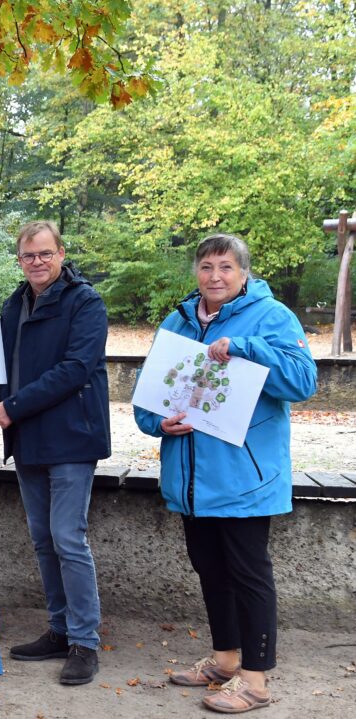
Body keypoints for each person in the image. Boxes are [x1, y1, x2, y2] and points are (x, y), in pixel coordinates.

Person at [134, 234, 316, 713]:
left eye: (226, 268)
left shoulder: (272, 317)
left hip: (245, 478)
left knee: (249, 576)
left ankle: (255, 684)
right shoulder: (177, 320)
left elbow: (302, 382)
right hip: (192, 480)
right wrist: (158, 423)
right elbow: (147, 394)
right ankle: (225, 661)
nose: (215, 277)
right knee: (211, 571)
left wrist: (247, 348)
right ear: (196, 272)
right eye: (206, 267)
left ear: (244, 273)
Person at [0, 220, 110, 685]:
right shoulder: (15, 304)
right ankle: (59, 629)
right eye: (29, 255)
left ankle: (84, 642)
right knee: (43, 540)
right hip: (29, 437)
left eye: (45, 254)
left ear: (61, 254)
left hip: (71, 436)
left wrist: (10, 407)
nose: (37, 262)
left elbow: (75, 369)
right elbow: (5, 366)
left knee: (68, 539)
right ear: (19, 259)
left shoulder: (85, 302)